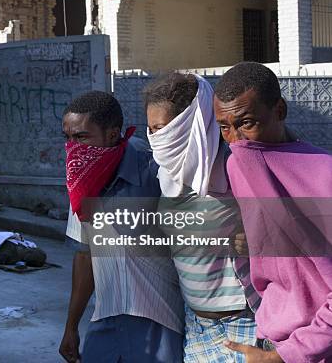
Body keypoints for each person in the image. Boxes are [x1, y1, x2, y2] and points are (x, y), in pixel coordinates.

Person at [213, 62, 332, 362]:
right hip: (268, 337)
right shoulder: (237, 166)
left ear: (279, 110)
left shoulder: (325, 173)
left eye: (247, 122)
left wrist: (286, 355)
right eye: (224, 127)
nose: (236, 140)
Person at [59, 91, 184, 363]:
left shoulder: (155, 171)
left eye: (81, 137)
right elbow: (85, 254)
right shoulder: (80, 180)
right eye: (67, 138)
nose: (73, 147)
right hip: (106, 321)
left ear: (113, 133)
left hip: (160, 321)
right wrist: (71, 325)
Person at [144, 73, 259, 363]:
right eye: (151, 129)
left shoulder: (236, 167)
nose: (157, 139)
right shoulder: (164, 175)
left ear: (189, 126)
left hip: (246, 325)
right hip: (197, 327)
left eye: (162, 129)